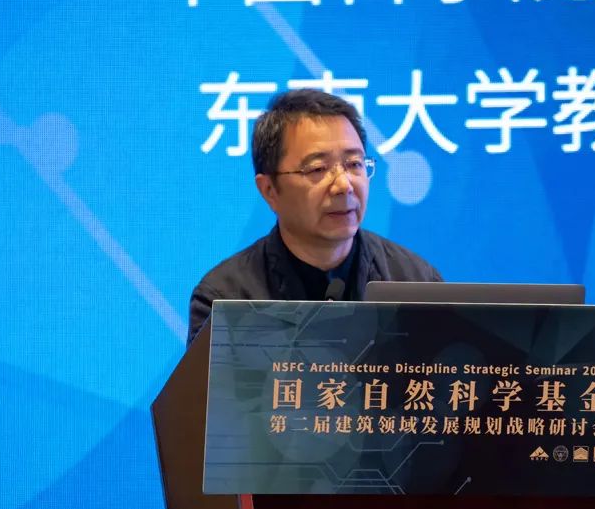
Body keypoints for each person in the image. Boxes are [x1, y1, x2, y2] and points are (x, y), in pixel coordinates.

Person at [188, 89, 442, 344]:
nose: (343, 185)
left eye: (354, 164)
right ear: (269, 190)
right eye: (318, 169)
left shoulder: (417, 284)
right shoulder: (226, 300)